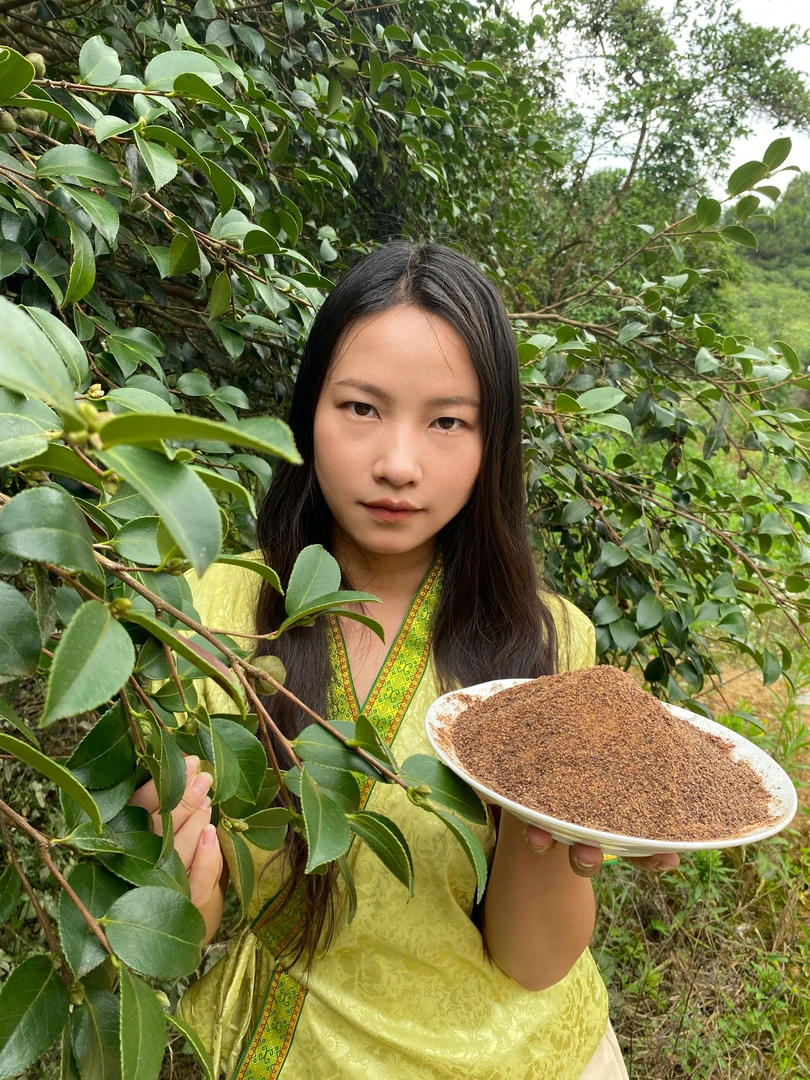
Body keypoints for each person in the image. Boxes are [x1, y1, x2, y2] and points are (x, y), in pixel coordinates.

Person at [131, 242, 679, 1079]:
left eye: (447, 420)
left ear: (492, 441)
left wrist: (559, 828)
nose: (397, 462)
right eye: (360, 408)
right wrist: (170, 871)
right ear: (308, 408)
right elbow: (183, 927)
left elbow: (533, 964)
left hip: (537, 1057)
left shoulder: (549, 643)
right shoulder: (211, 613)